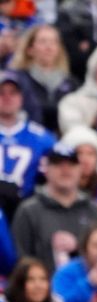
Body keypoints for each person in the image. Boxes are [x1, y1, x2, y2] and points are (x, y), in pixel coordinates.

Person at [12, 143, 97, 273]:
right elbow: (20, 261)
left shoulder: (96, 211)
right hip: (44, 289)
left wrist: (79, 246)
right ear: (46, 169)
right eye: (58, 164)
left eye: (71, 165)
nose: (65, 170)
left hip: (92, 288)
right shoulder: (28, 211)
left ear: (80, 169)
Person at [0, 70, 56, 214]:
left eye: (13, 93)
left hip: (26, 210)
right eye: (1, 93)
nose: (7, 98)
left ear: (21, 98)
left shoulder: (42, 138)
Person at [10, 25, 77, 134]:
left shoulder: (71, 83)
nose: (48, 47)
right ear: (30, 49)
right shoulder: (17, 79)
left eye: (53, 42)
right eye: (43, 42)